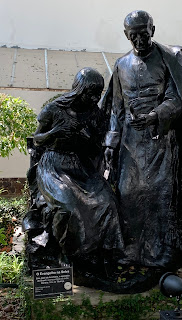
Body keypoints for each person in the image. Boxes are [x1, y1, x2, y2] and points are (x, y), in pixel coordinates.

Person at [104, 10, 182, 271]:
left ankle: (161, 253)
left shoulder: (169, 59)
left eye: (143, 35)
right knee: (127, 193)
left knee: (160, 195)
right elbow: (116, 108)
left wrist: (154, 116)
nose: (139, 41)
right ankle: (132, 251)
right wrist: (111, 143)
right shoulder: (121, 65)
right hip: (129, 144)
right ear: (126, 35)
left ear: (153, 30)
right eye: (133, 36)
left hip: (161, 141)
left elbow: (178, 100)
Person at [33, 67, 124, 261]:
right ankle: (70, 254)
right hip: (54, 166)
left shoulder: (95, 114)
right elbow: (36, 140)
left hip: (81, 168)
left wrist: (88, 139)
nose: (94, 99)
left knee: (108, 202)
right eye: (90, 94)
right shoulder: (54, 109)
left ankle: (103, 254)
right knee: (69, 207)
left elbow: (96, 149)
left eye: (97, 94)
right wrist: (54, 133)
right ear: (79, 89)